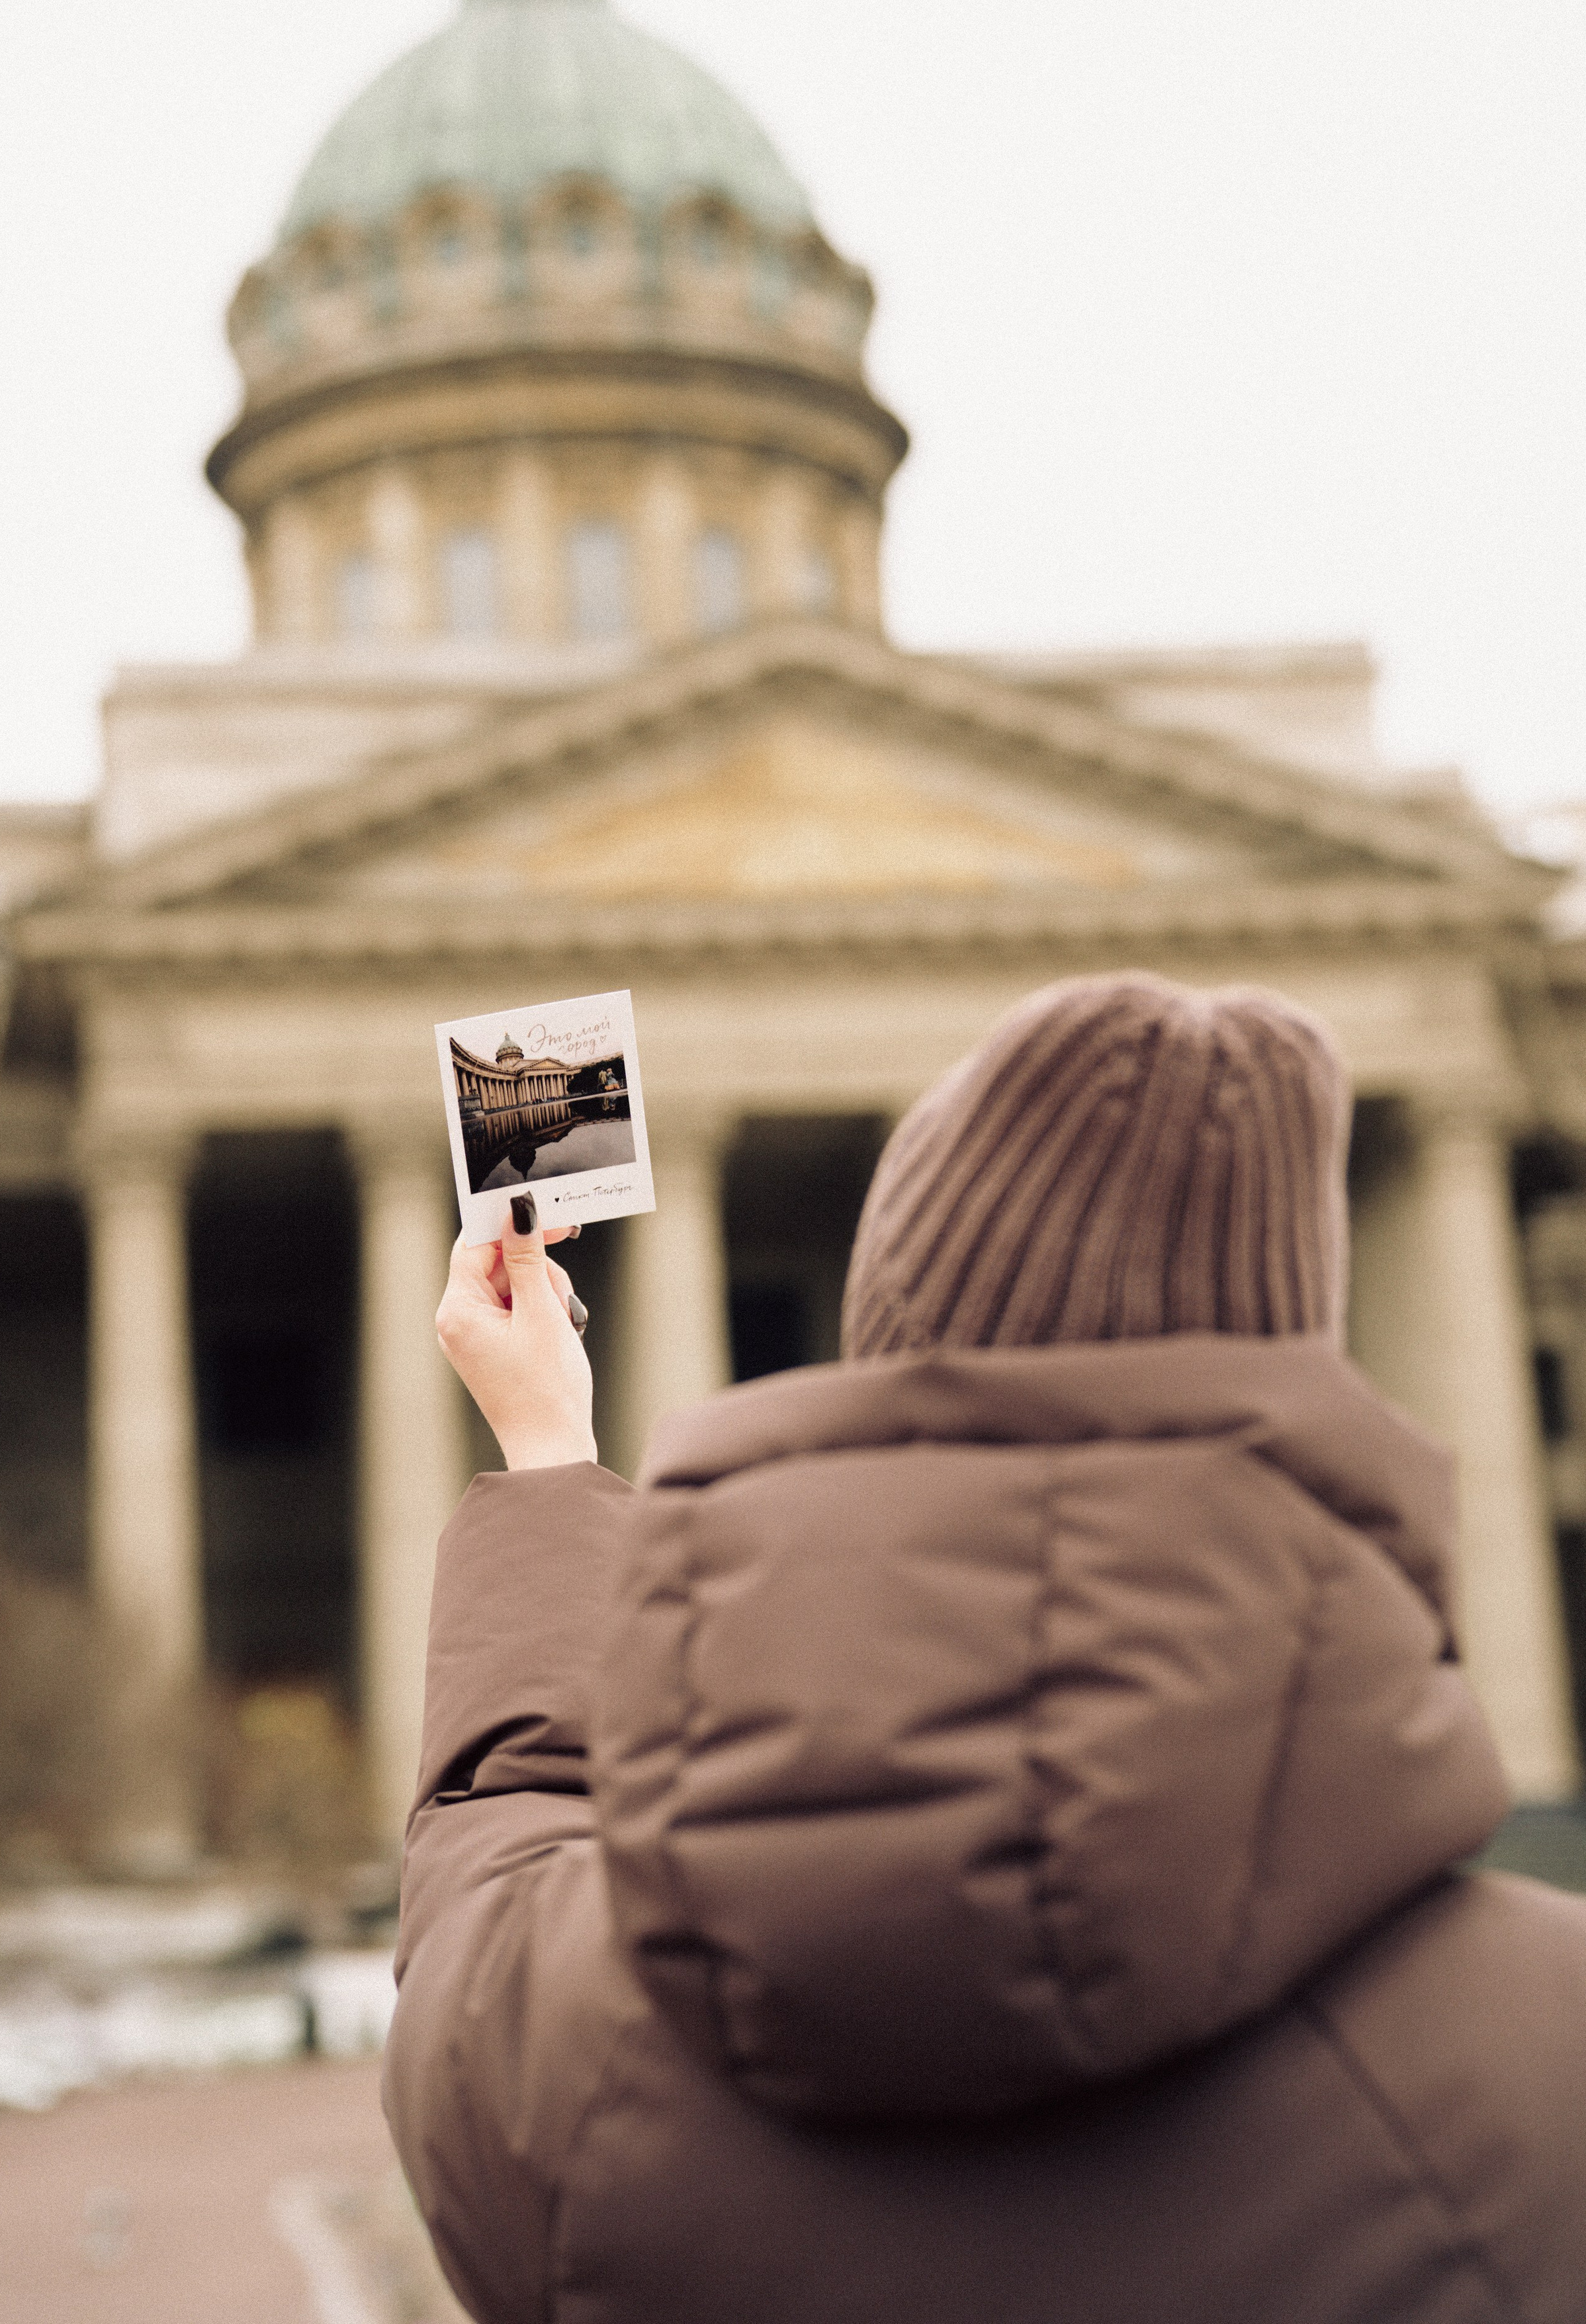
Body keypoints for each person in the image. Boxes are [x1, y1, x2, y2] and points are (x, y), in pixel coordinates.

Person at [385, 974, 1586, 2324]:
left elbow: (485, 1900)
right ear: (1297, 1380)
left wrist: (550, 1458)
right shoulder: (1546, 2064)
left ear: (884, 1375)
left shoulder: (568, 2063)